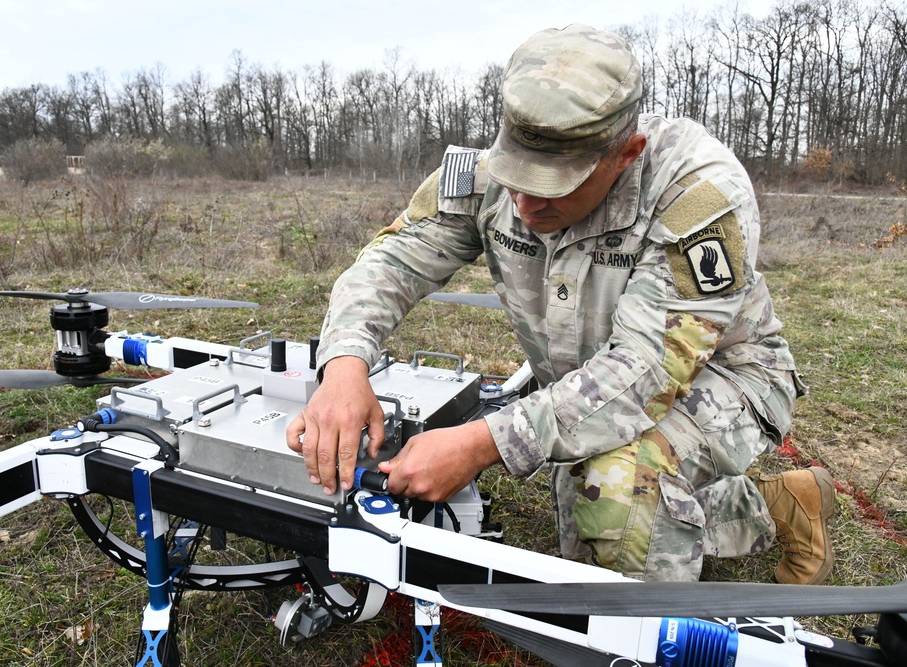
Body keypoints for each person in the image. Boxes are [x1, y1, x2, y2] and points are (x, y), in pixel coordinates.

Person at [286, 24, 835, 584]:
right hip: (594, 379)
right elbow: (392, 260)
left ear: (627, 153)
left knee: (614, 495)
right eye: (515, 176)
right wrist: (345, 365)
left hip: (722, 374)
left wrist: (483, 443)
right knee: (586, 509)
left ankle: (668, 605)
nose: (523, 203)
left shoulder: (697, 193)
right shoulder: (483, 177)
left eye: (553, 186)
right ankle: (774, 501)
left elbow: (646, 370)